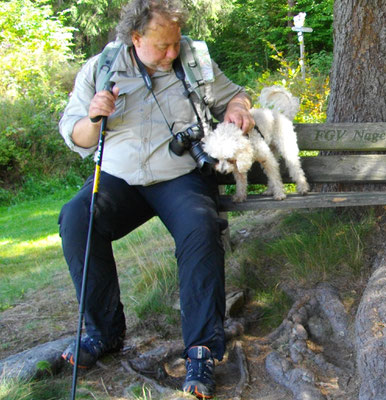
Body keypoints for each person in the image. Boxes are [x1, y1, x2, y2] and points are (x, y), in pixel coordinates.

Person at [57, 0, 253, 397]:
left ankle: (201, 351)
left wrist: (237, 111)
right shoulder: (101, 69)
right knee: (77, 218)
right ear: (135, 38)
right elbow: (75, 134)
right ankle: (104, 333)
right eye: (162, 45)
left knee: (200, 228)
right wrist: (93, 118)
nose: (171, 52)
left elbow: (237, 96)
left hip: (178, 177)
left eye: (175, 42)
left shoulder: (194, 60)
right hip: (119, 178)